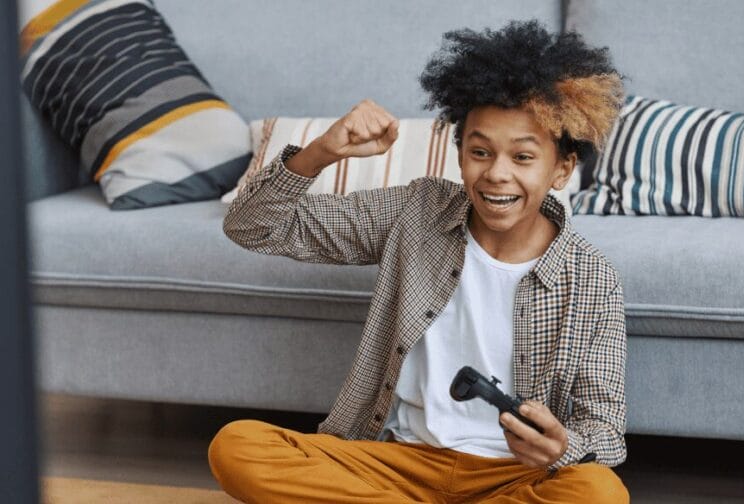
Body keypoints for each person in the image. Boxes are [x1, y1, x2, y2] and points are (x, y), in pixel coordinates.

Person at [209, 19, 629, 503]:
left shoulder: (592, 277)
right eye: (480, 151)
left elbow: (606, 431)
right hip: (393, 463)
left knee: (599, 492)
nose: (496, 174)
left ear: (561, 169)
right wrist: (322, 152)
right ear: (460, 154)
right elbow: (252, 226)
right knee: (238, 445)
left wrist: (562, 445)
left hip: (512, 477)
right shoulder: (417, 212)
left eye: (522, 157)